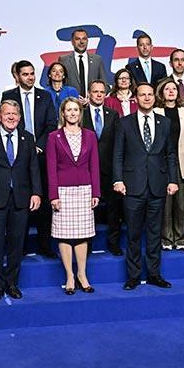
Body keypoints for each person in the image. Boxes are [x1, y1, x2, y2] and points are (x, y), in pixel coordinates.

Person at [113, 83, 179, 290]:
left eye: (150, 94)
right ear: (136, 98)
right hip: (132, 186)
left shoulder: (165, 123)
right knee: (133, 234)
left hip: (158, 186)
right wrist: (118, 179)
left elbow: (171, 154)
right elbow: (118, 154)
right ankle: (133, 276)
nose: (147, 98)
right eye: (143, 95)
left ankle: (154, 274)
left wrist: (173, 180)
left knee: (154, 233)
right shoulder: (124, 123)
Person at [0, 100, 42, 302]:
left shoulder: (28, 138)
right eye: (7, 114)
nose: (11, 117)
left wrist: (36, 193)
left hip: (21, 199)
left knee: (17, 244)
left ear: (19, 117)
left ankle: (12, 283)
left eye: (14, 114)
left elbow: (33, 168)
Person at [2, 60, 58, 258]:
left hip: (41, 156)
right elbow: (7, 123)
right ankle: (21, 247)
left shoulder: (45, 96)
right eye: (25, 74)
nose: (30, 77)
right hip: (17, 158)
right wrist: (25, 146)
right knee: (20, 204)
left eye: (32, 73)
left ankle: (45, 246)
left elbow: (51, 124)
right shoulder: (8, 96)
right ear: (17, 76)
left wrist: (38, 145)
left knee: (43, 204)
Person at [46, 98, 101, 294]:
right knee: (64, 234)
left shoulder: (90, 135)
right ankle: (69, 275)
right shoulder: (54, 137)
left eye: (75, 110)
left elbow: (94, 165)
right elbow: (51, 168)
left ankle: (82, 274)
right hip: (63, 191)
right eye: (68, 110)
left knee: (82, 234)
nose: (72, 113)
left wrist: (96, 192)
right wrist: (53, 195)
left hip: (85, 190)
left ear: (80, 112)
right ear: (63, 113)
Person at [81, 80, 122, 256]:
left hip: (109, 169)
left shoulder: (113, 115)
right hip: (86, 170)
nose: (98, 95)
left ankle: (114, 243)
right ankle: (87, 246)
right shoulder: (80, 114)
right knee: (88, 210)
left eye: (101, 92)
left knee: (113, 210)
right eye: (95, 91)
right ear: (88, 93)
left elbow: (118, 143)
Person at [154, 79, 184, 251]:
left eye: (174, 89)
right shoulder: (155, 111)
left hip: (183, 161)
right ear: (161, 92)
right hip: (162, 162)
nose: (171, 91)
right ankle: (166, 238)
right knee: (165, 203)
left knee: (183, 203)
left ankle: (181, 238)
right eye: (167, 89)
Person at [58, 28, 108, 96]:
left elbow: (104, 84)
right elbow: (60, 84)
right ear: (72, 42)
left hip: (92, 101)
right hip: (71, 101)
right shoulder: (64, 60)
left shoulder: (97, 60)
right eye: (77, 39)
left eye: (84, 39)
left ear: (87, 41)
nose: (81, 42)